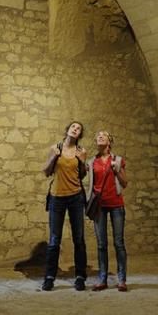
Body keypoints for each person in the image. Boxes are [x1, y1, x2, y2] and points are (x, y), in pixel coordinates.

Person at [40, 121, 88, 291]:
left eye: (79, 129)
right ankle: (49, 277)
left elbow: (81, 175)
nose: (75, 130)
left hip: (75, 198)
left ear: (80, 134)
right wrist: (54, 156)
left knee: (79, 239)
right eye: (73, 127)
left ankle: (80, 276)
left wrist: (82, 162)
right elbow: (46, 171)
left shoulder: (81, 152)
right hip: (56, 198)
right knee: (54, 240)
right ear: (67, 130)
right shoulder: (55, 148)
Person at [88, 130, 129, 292]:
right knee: (101, 244)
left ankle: (122, 280)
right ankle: (102, 279)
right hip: (99, 207)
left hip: (116, 205)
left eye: (103, 135)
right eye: (97, 135)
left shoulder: (117, 160)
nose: (99, 136)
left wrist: (116, 169)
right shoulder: (92, 162)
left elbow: (125, 183)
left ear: (109, 142)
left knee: (118, 243)